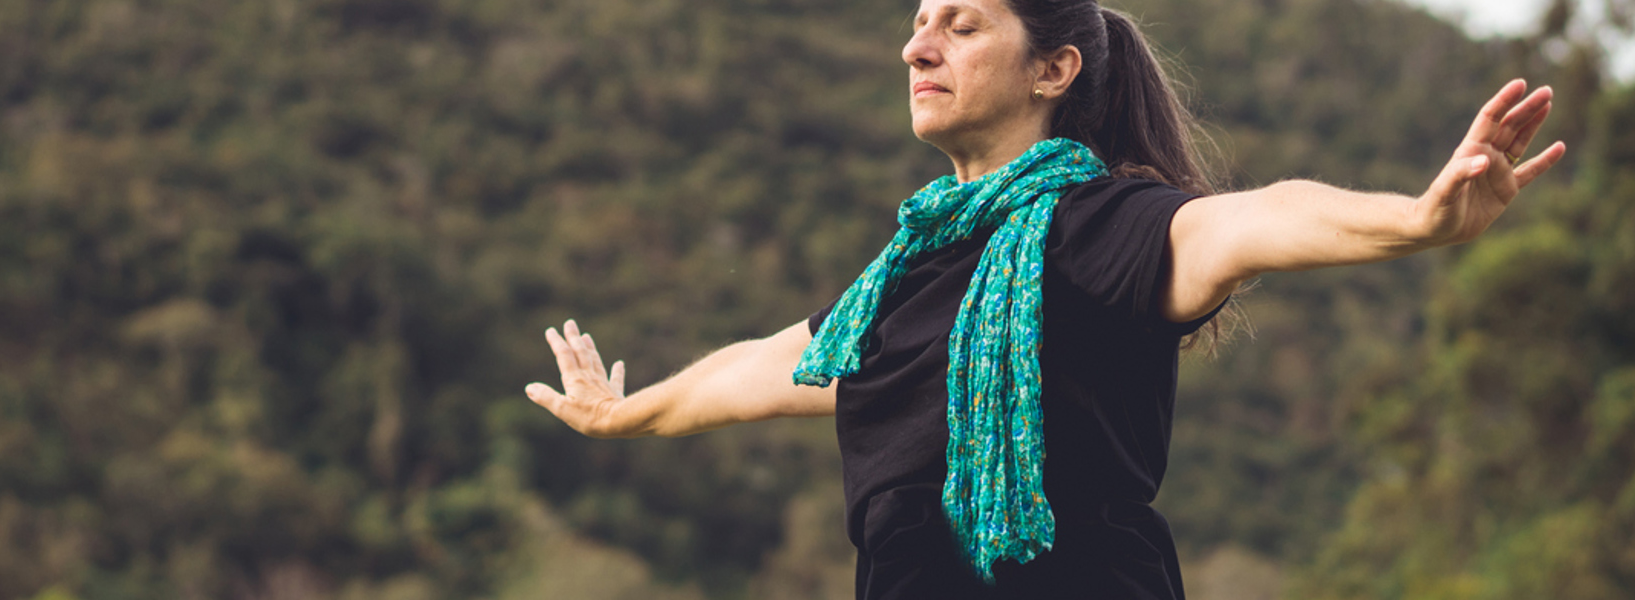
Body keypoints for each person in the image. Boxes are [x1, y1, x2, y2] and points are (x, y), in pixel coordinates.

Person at [524, 0, 1565, 597]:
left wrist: (1417, 222)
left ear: (1053, 68)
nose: (916, 45)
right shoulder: (899, 282)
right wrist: (630, 411)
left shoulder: (1105, 227)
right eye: (920, 22)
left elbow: (1252, 219)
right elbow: (765, 367)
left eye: (962, 26)